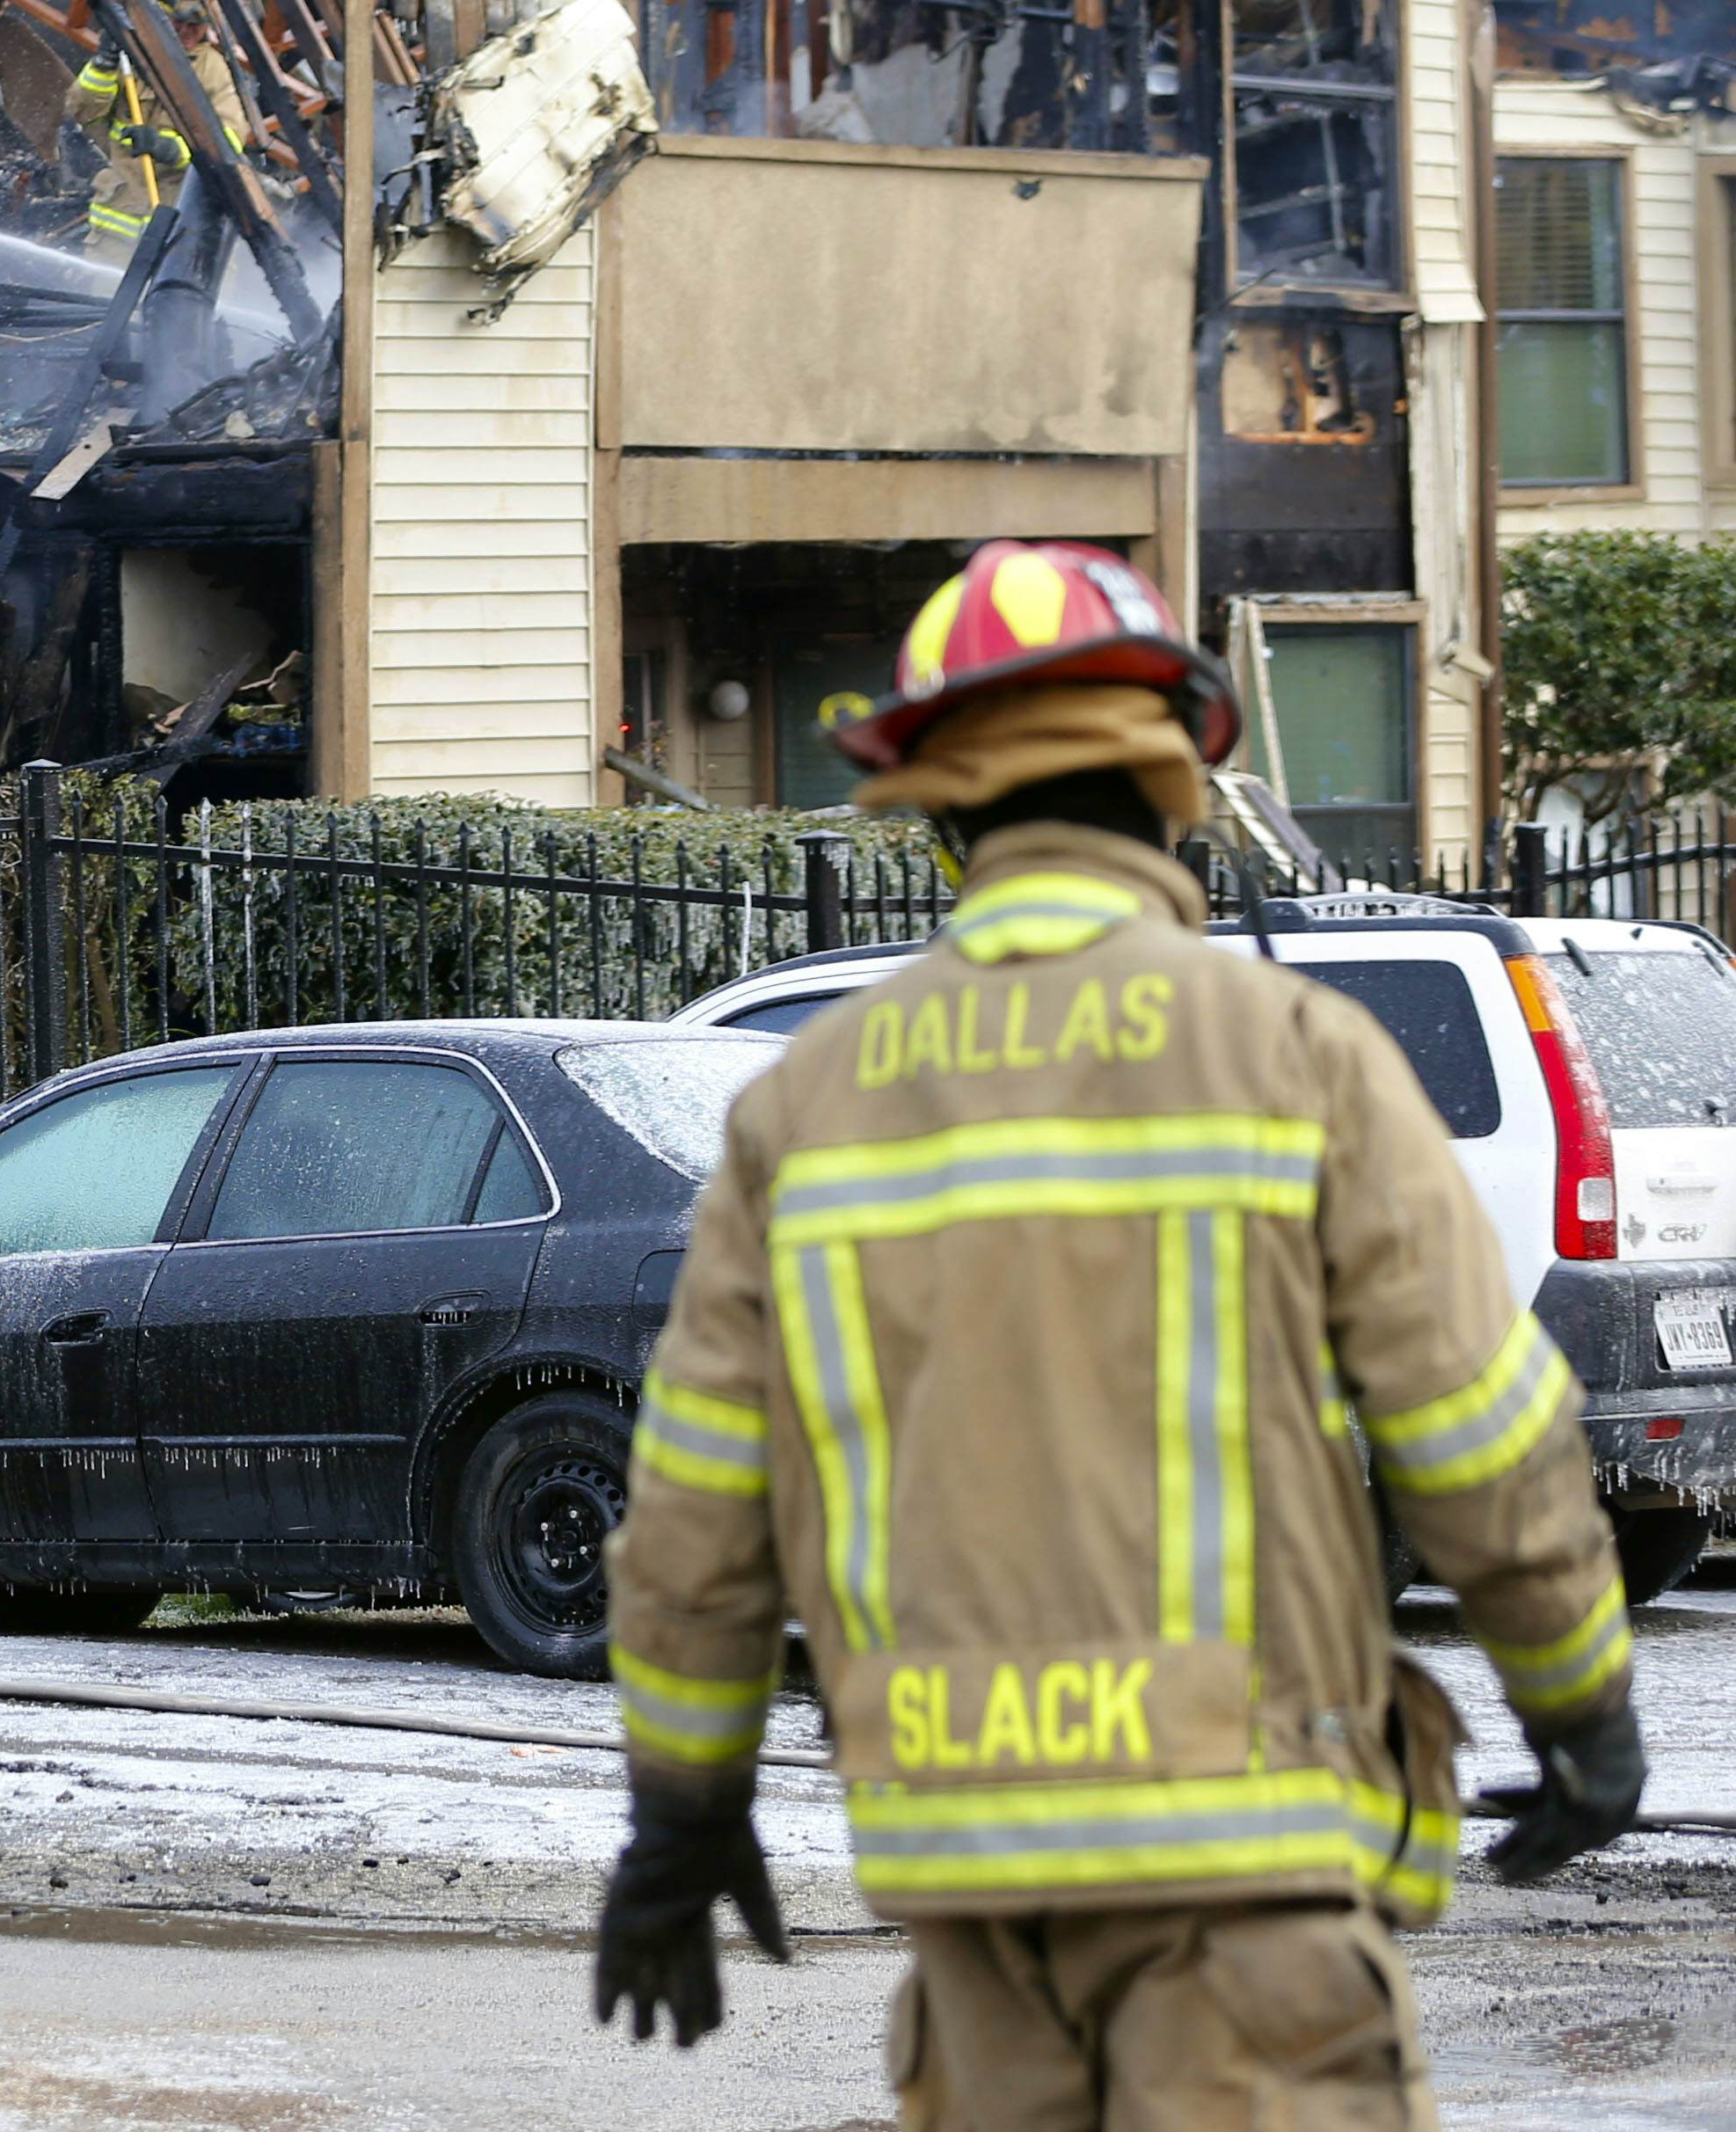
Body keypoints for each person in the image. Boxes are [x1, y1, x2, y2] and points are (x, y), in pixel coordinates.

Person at [593, 539, 1645, 2125]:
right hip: (1250, 1867)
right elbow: (1470, 1423)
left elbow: (695, 1507)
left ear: (942, 813)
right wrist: (1579, 1707)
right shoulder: (1289, 1052)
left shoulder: (803, 1109)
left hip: (968, 1882)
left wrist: (682, 1811)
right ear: (1173, 785)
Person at [61, 0, 258, 262]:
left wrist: (173, 150)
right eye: (178, 22)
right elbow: (82, 112)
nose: (186, 32)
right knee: (104, 294)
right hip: (117, 230)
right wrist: (103, 64)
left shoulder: (213, 69)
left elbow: (231, 139)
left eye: (196, 25)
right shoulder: (130, 56)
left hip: (180, 231)